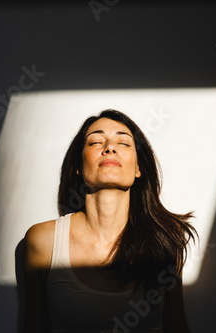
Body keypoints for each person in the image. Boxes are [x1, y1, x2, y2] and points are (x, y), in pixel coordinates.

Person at [22, 109, 197, 332]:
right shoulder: (42, 241)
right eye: (96, 141)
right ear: (77, 166)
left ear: (137, 169)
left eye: (123, 143)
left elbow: (177, 326)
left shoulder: (165, 240)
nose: (110, 148)